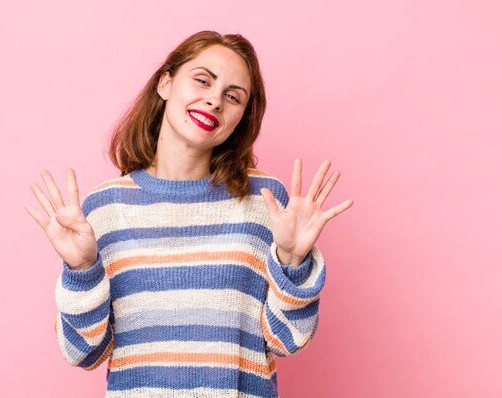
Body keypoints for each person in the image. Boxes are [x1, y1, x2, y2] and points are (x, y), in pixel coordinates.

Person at [26, 30, 353, 397]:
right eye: (202, 80)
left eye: (233, 97)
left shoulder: (267, 204)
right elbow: (82, 353)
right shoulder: (104, 210)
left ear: (241, 117)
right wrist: (83, 271)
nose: (215, 101)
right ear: (165, 82)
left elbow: (287, 340)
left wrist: (293, 262)